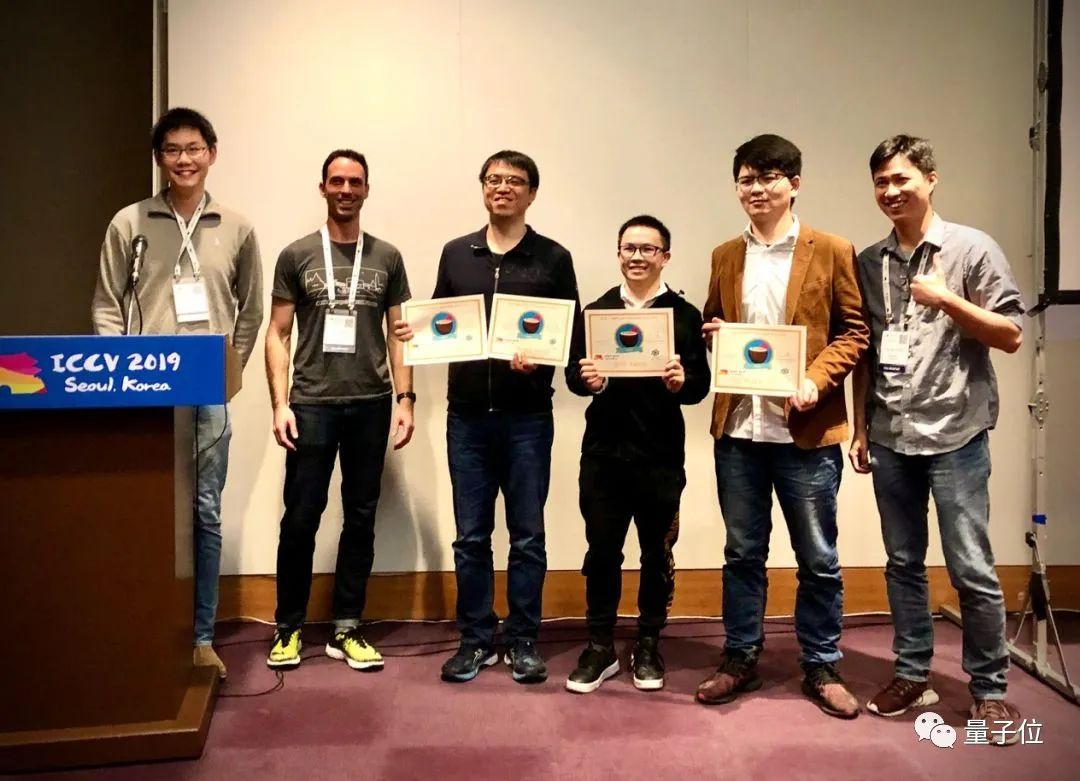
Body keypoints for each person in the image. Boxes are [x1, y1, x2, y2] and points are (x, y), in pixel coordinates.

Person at [850, 135, 1025, 741]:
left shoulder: (971, 249)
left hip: (955, 434)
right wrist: (860, 426)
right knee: (902, 564)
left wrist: (948, 299)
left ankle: (990, 690)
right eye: (881, 182)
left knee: (970, 567)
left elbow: (1011, 334)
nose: (891, 191)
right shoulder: (869, 261)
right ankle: (910, 672)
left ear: (930, 178)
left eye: (901, 179)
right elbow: (866, 351)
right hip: (890, 434)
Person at [694, 134, 869, 718]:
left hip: (805, 433)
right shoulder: (725, 254)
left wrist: (816, 379)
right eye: (746, 179)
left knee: (818, 557)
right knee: (742, 553)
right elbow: (715, 323)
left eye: (769, 178)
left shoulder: (832, 249)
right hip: (739, 431)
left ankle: (821, 663)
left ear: (794, 184)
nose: (757, 189)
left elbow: (854, 333)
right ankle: (740, 656)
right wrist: (716, 337)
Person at [394, 150, 581, 684]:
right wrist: (415, 332)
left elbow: (567, 336)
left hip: (528, 419)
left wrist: (539, 358)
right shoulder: (457, 253)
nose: (503, 187)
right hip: (468, 418)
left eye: (514, 181)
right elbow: (442, 321)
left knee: (527, 536)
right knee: (471, 536)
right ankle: (475, 639)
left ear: (531, 193)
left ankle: (523, 639)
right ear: (482, 188)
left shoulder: (553, 258)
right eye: (494, 179)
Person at [92, 107, 263, 680]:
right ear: (159, 158)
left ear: (212, 153)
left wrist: (227, 374)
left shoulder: (236, 227)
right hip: (143, 391)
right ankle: (140, 628)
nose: (183, 159)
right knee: (144, 508)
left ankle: (202, 636)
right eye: (172, 150)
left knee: (205, 512)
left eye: (193, 148)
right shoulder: (130, 222)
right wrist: (119, 378)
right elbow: (107, 305)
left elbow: (251, 310)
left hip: (206, 396)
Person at [264, 149, 414, 671]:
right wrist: (279, 404)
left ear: (367, 189)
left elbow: (398, 335)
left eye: (355, 182)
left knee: (361, 518)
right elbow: (277, 333)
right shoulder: (297, 255)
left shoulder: (388, 257)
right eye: (337, 181)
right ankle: (288, 626)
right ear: (323, 187)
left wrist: (405, 399)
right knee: (300, 518)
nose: (346, 190)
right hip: (311, 405)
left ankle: (347, 626)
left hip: (371, 404)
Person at [563, 215, 710, 693]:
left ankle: (648, 642)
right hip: (604, 455)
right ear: (618, 254)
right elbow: (572, 376)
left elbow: (701, 386)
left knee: (656, 553)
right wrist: (588, 381)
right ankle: (600, 645)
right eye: (629, 248)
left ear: (665, 256)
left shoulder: (683, 315)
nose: (638, 257)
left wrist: (682, 382)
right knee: (602, 552)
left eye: (648, 249)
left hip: (660, 457)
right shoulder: (597, 312)